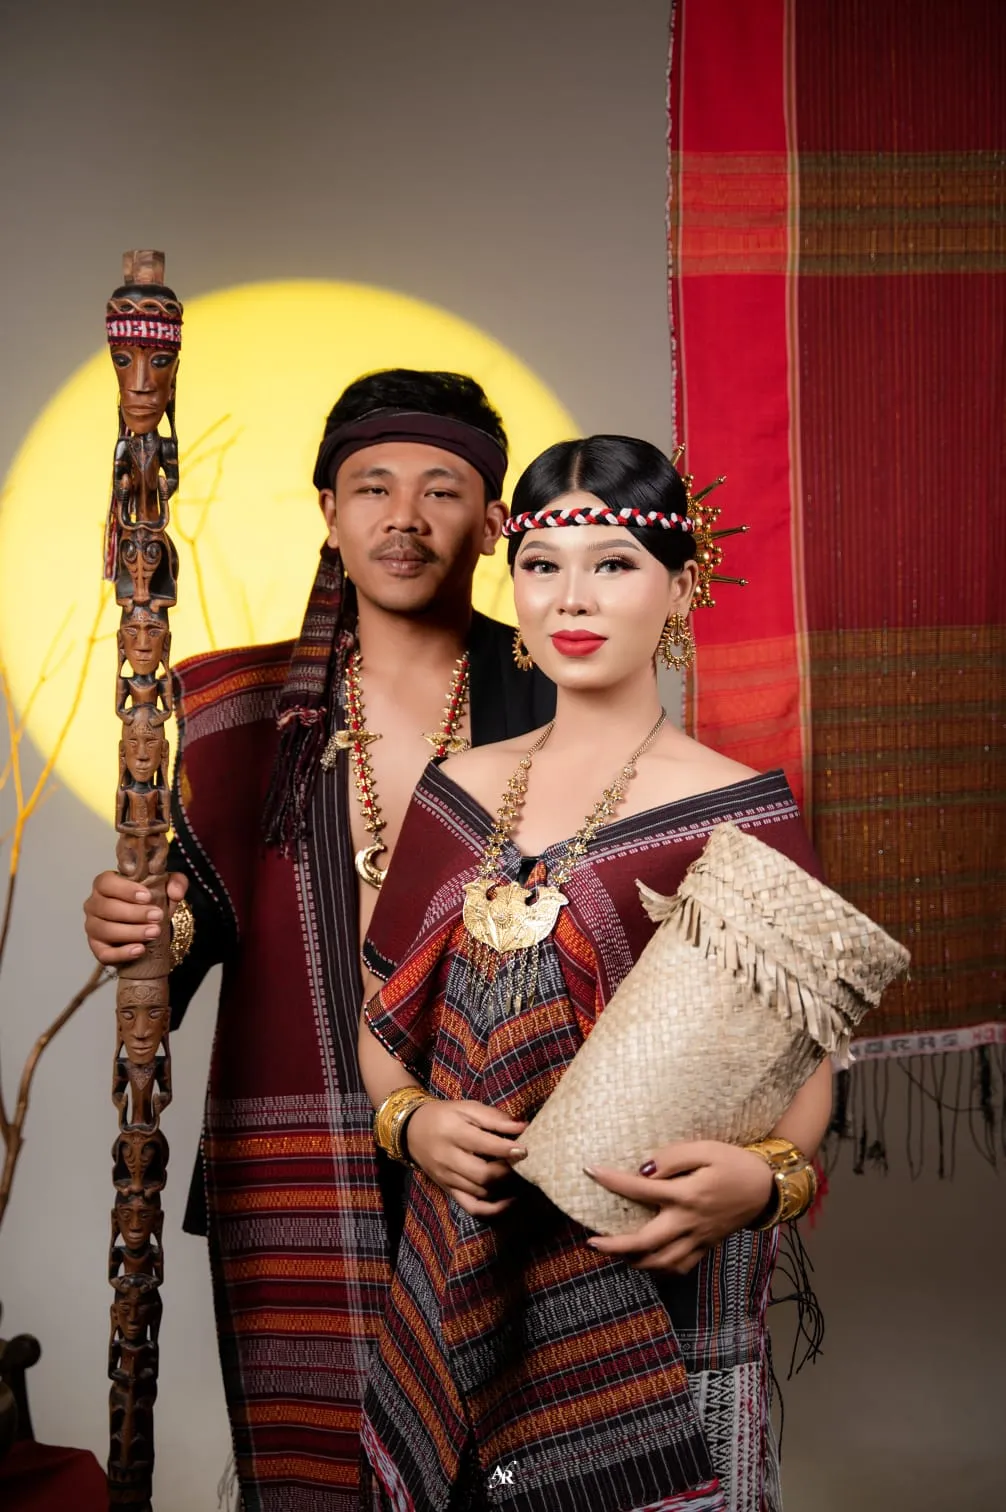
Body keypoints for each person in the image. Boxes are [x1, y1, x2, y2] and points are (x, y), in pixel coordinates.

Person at [83, 369, 555, 1510]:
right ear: (330, 514)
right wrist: (142, 927)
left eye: (442, 490)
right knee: (321, 1481)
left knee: (513, 1472)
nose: (405, 517)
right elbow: (191, 923)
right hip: (299, 1152)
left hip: (505, 1136)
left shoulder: (553, 692)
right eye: (374, 487)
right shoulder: (230, 707)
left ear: (494, 523)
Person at [358, 436, 833, 1512]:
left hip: (657, 1283)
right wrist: (411, 1124)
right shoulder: (457, 790)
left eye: (613, 563)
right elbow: (381, 1024)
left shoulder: (743, 811)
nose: (570, 597)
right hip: (467, 1270)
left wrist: (767, 1181)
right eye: (542, 564)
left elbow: (809, 1077)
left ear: (681, 588)